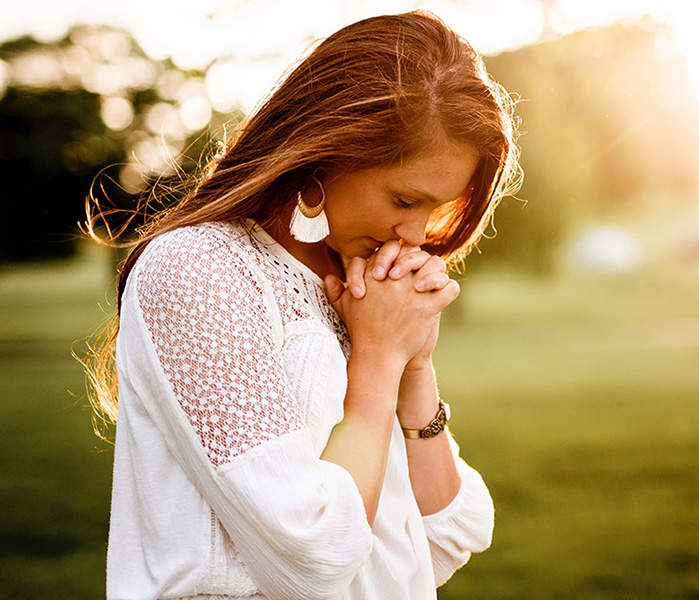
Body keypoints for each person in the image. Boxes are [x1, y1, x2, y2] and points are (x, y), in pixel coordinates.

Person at [85, 10, 521, 600]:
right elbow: (314, 556)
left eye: (435, 208)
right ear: (327, 151)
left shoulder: (355, 284)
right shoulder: (199, 270)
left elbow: (446, 533)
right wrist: (375, 367)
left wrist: (412, 366)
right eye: (404, 198)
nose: (416, 235)